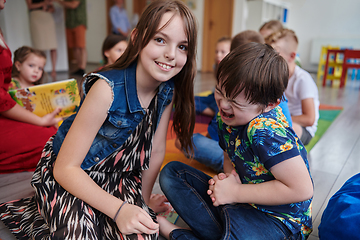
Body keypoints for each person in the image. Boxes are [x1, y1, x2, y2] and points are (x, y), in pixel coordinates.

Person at [0, 1, 197, 239]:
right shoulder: (106, 89)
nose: (171, 54)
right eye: (160, 40)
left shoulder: (167, 91)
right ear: (136, 37)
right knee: (79, 235)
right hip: (73, 173)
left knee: (141, 234)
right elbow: (65, 168)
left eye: (183, 46)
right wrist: (120, 209)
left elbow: (155, 152)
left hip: (118, 176)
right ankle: (43, 211)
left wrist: (141, 205)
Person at [159, 42, 313, 240]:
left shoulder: (266, 131)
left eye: (234, 101)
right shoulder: (226, 117)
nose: (223, 104)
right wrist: (226, 181)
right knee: (172, 173)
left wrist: (236, 193)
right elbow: (228, 156)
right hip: (242, 204)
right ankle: (223, 230)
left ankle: (175, 234)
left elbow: (302, 189)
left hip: (280, 222)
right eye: (219, 91)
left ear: (269, 104)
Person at [0, 2, 61, 174]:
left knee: (56, 131)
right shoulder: (14, 84)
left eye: (40, 68)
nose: (36, 71)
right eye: (31, 66)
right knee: (53, 140)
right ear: (18, 66)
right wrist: (41, 121)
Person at [267, 29, 319, 145]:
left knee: (284, 131)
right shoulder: (274, 76)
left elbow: (310, 119)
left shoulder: (302, 79)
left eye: (275, 55)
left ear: (292, 56)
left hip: (302, 128)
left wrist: (282, 119)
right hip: (281, 119)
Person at [25, 0, 58, 80]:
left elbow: (53, 9)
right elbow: (29, 6)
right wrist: (43, 3)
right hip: (36, 16)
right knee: (38, 45)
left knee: (53, 45)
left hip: (47, 16)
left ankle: (54, 70)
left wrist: (49, 8)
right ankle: (39, 69)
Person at [55, 0, 87, 77]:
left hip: (79, 22)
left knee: (81, 46)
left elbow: (73, 5)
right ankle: (79, 67)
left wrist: (59, 1)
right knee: (74, 47)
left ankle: (83, 67)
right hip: (69, 23)